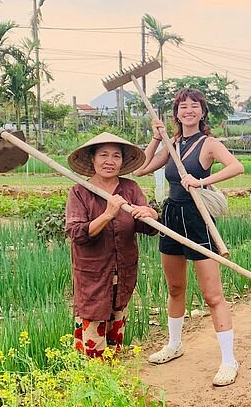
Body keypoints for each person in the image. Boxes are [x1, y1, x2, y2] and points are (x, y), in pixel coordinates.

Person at [134, 88, 244, 387]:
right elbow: (141, 168)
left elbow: (237, 166)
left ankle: (228, 360)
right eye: (183, 107)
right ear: (176, 113)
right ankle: (174, 344)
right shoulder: (171, 144)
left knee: (212, 295)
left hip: (198, 219)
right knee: (175, 287)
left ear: (202, 112)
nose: (189, 111)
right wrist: (157, 138)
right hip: (171, 216)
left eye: (194, 106)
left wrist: (201, 181)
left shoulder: (208, 144)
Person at [65, 132, 159, 358]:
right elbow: (76, 233)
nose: (110, 161)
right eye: (103, 155)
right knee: (92, 339)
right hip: (93, 277)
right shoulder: (80, 192)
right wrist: (108, 214)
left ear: (122, 161)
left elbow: (147, 228)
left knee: (115, 336)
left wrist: (151, 214)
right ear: (92, 159)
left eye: (116, 156)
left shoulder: (130, 189)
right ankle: (94, 384)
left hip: (124, 274)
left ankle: (112, 381)